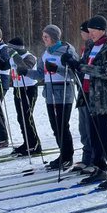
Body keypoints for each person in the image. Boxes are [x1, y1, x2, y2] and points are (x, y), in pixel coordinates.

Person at [62, 15, 107, 189]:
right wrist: (72, 63)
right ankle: (99, 168)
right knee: (94, 136)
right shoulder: (91, 46)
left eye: (94, 30)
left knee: (106, 137)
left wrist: (79, 66)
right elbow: (82, 65)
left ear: (103, 30)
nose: (91, 33)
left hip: (104, 97)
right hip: (89, 95)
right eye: (90, 31)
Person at [30, 24, 78, 171]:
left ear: (54, 37)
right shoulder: (45, 54)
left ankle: (67, 156)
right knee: (55, 127)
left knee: (62, 126)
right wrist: (25, 72)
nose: (44, 39)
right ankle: (62, 154)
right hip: (50, 93)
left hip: (63, 93)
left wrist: (58, 68)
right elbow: (39, 74)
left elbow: (74, 73)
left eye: (46, 37)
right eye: (43, 36)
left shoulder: (67, 51)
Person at [0, 37, 41, 156]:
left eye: (10, 48)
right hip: (18, 89)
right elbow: (2, 66)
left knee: (27, 117)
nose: (8, 51)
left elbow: (25, 68)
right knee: (20, 117)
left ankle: (35, 145)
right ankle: (27, 143)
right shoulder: (13, 57)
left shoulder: (29, 57)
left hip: (29, 89)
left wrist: (15, 55)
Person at [71, 20, 96, 175]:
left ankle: (94, 159)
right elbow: (81, 68)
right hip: (83, 90)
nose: (82, 35)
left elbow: (92, 69)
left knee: (90, 127)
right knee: (83, 127)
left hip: (93, 92)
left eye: (83, 32)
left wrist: (77, 65)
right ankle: (86, 157)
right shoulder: (87, 47)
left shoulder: (95, 47)